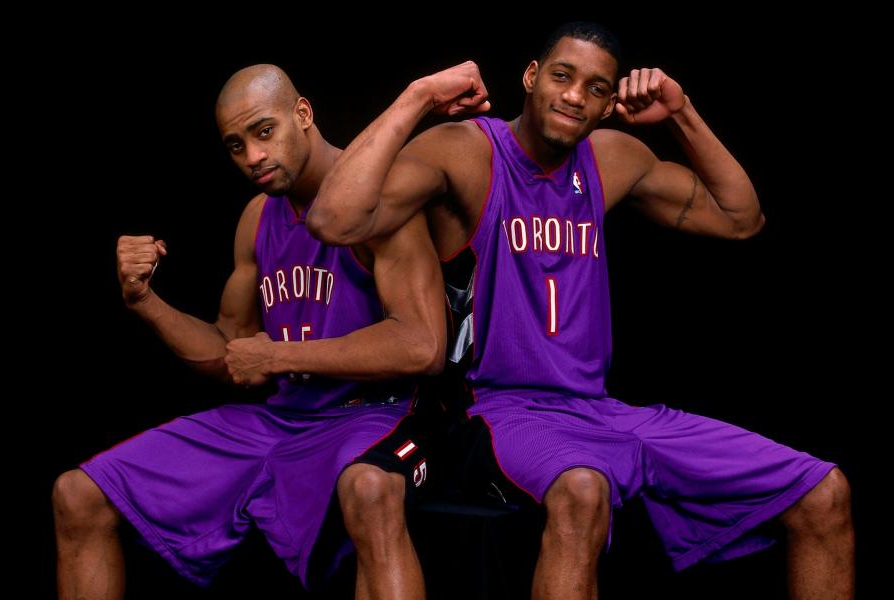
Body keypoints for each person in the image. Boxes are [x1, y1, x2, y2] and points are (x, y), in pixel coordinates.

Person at [308, 22, 855, 599]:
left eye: (597, 88)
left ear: (609, 103)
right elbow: (333, 220)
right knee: (582, 491)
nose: (575, 96)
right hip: (499, 413)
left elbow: (742, 218)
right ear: (531, 76)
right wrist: (418, 95)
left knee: (825, 491)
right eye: (563, 76)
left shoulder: (612, 159)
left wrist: (681, 112)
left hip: (601, 413)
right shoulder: (467, 151)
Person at [52, 64, 443, 600]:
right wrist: (146, 303)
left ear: (302, 114)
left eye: (264, 132)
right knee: (79, 494)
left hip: (370, 415)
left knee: (370, 488)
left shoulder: (380, 197)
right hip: (277, 420)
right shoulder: (257, 218)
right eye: (236, 145)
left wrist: (279, 356)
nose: (252, 157)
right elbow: (230, 353)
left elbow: (422, 345)